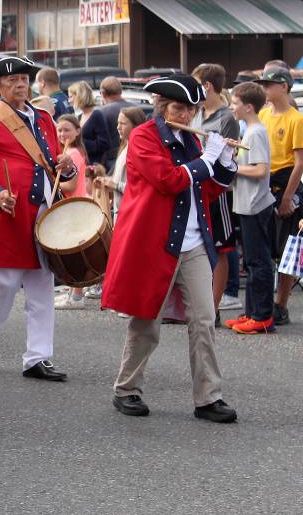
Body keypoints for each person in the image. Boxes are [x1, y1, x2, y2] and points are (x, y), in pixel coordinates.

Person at [103, 74, 238, 423]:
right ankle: (126, 389)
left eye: (192, 109)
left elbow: (207, 189)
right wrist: (207, 159)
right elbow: (168, 180)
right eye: (179, 108)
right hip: (155, 242)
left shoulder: (192, 140)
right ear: (162, 106)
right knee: (147, 320)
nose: (187, 115)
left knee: (204, 320)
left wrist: (224, 161)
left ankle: (208, 397)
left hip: (193, 243)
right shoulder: (143, 136)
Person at [0, 56, 75, 382]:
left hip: (43, 211)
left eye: (24, 78)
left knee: (42, 285)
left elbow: (52, 163)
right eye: (12, 80)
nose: (21, 84)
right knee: (5, 283)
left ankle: (38, 357)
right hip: (7, 214)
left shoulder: (44, 119)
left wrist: (67, 167)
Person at [224, 82, 276, 334]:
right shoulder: (251, 131)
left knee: (258, 262)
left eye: (235, 103)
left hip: (255, 205)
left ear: (248, 107)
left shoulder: (255, 132)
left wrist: (233, 167)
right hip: (248, 204)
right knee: (253, 263)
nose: (232, 108)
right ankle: (252, 313)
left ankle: (262, 316)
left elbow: (261, 170)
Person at [189, 63, 241, 315]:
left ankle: (214, 307)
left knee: (220, 249)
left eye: (197, 83)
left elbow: (230, 157)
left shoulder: (226, 117)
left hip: (217, 190)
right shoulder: (197, 112)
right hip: (195, 184)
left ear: (207, 86)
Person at [254, 66, 303, 326]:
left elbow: (299, 163)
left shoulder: (296, 119)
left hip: (286, 182)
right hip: (264, 181)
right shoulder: (262, 114)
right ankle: (263, 302)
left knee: (287, 249)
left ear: (284, 86)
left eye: (269, 84)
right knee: (265, 246)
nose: (264, 88)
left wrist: (287, 198)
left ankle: (281, 304)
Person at [53, 114, 91, 310]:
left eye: (67, 130)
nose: (62, 134)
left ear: (77, 131)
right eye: (59, 130)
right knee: (71, 254)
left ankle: (76, 296)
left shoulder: (73, 153)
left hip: (74, 207)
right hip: (72, 207)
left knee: (75, 255)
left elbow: (71, 185)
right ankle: (72, 292)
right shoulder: (69, 151)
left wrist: (51, 182)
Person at [96, 107, 147, 219]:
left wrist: (115, 185)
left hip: (130, 214)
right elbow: (121, 179)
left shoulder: (139, 150)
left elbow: (142, 189)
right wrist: (106, 181)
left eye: (123, 123)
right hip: (121, 212)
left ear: (136, 125)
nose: (118, 127)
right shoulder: (126, 146)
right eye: (118, 123)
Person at [68, 81, 111, 166]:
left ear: (79, 96)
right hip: (82, 164)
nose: (69, 101)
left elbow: (105, 143)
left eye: (71, 97)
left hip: (94, 165)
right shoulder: (80, 116)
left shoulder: (96, 115)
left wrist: (78, 142)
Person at [97, 76, 136, 169]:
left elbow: (100, 143)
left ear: (103, 93)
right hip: (135, 157)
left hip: (112, 161)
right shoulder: (136, 108)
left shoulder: (102, 112)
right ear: (120, 91)